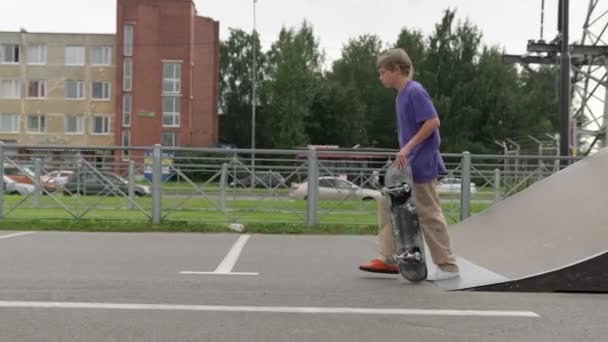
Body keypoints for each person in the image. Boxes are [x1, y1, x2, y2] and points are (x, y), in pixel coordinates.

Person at [358, 48, 460, 281]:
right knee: (386, 202)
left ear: (396, 69)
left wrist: (408, 147)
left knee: (427, 213)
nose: (380, 77)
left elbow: (433, 122)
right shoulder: (401, 95)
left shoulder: (414, 91)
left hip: (422, 163)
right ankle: (389, 259)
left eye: (383, 72)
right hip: (408, 164)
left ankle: (447, 265)